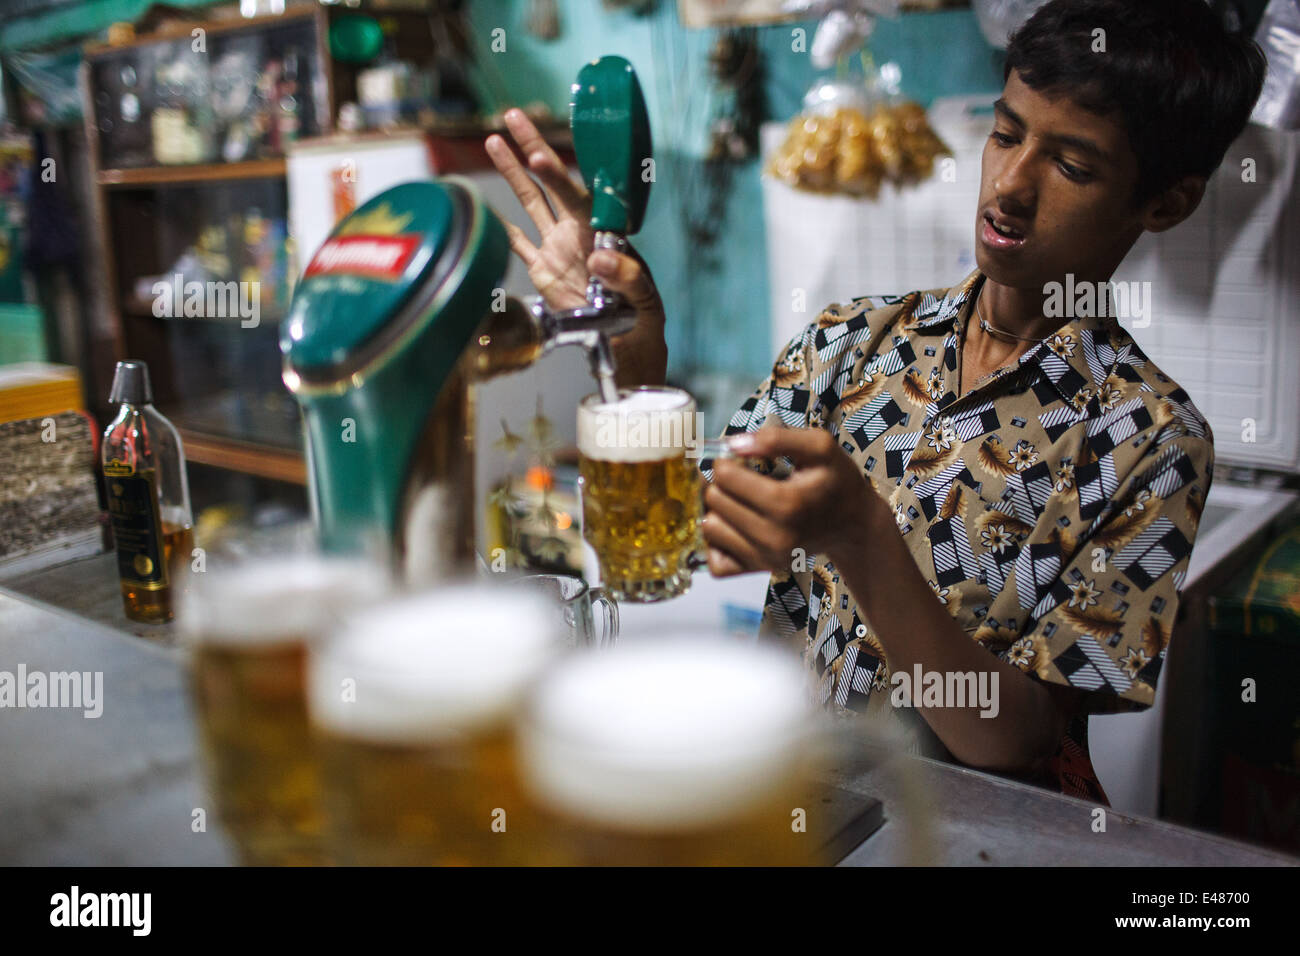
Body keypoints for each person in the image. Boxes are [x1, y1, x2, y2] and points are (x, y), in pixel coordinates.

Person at [485, 0, 1266, 802]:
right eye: (1005, 134)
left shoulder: (1149, 439)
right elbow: (698, 526)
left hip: (980, 833)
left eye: (1071, 166)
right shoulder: (851, 344)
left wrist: (862, 537)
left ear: (1165, 202)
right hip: (807, 803)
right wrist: (636, 345)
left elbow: (1019, 734)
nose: (1010, 186)